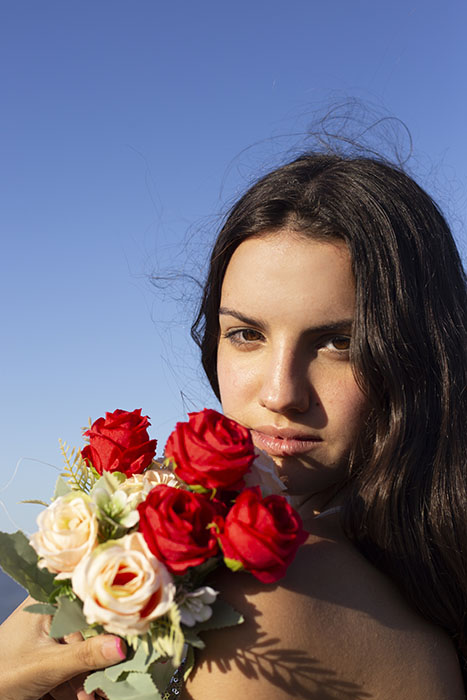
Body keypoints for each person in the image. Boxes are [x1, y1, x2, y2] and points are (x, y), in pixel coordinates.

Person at [1, 151, 466, 699]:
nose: (279, 393)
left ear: (421, 355)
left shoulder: (267, 607)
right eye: (247, 334)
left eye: (341, 343)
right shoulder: (417, 573)